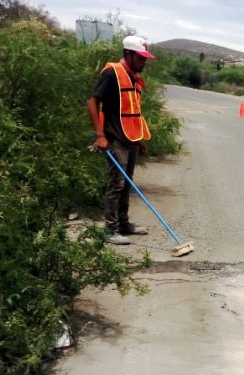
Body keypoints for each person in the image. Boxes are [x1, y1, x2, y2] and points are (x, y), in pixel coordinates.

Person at [87, 35, 155, 245]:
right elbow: (92, 102)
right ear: (128, 54)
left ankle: (124, 224)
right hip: (114, 138)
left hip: (131, 139)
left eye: (145, 58)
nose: (143, 62)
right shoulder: (112, 74)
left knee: (126, 184)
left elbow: (134, 112)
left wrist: (140, 138)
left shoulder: (133, 76)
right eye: (140, 58)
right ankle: (110, 229)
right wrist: (100, 135)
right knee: (116, 184)